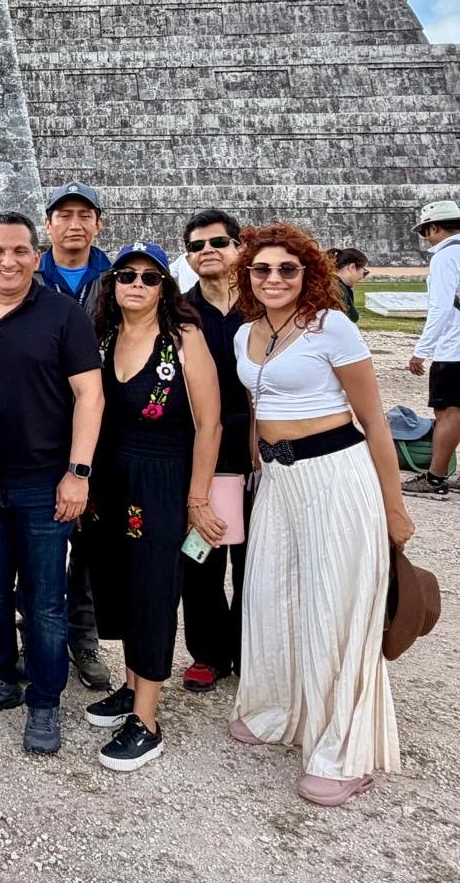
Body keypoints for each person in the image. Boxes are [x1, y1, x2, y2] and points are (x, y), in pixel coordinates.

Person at [230, 222, 414, 807]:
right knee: (275, 594)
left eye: (287, 268)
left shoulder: (332, 327)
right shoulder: (245, 333)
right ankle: (280, 708)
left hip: (336, 475)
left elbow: (375, 422)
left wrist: (394, 507)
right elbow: (258, 406)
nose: (274, 278)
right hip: (279, 481)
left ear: (307, 273)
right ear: (247, 276)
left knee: (335, 606)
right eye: (262, 269)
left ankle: (344, 751)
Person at [0, 213, 104, 755]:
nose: (8, 261)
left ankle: (44, 698)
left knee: (45, 600)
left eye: (19, 251)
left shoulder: (64, 314)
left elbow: (90, 396)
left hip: (45, 483)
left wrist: (78, 473)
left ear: (37, 258)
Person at [81, 243, 221, 771]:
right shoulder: (102, 336)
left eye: (149, 277)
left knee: (153, 590)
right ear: (112, 283)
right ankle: (132, 684)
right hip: (109, 481)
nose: (137, 284)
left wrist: (197, 497)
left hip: (160, 478)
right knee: (118, 587)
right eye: (127, 275)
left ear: (165, 286)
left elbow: (210, 423)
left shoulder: (182, 338)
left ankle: (147, 719)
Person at [38, 181, 112, 690]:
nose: (74, 224)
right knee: (35, 539)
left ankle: (84, 637)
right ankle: (35, 634)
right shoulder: (28, 275)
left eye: (84, 215)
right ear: (48, 225)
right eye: (64, 215)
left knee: (88, 542)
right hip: (41, 424)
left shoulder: (118, 276)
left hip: (99, 426)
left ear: (98, 224)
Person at [179, 210, 252, 693]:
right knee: (200, 553)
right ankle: (208, 652)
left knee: (256, 557)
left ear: (239, 248)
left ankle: (249, 650)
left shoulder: (263, 303)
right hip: (199, 447)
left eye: (218, 242)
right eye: (197, 245)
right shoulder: (179, 313)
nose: (207, 251)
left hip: (258, 447)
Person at [404, 200, 460, 498]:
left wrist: (421, 350)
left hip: (455, 348)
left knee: (448, 411)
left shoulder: (445, 256)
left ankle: (435, 477)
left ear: (434, 228)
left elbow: (441, 307)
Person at [331, 248, 369, 322]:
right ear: (352, 267)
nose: (362, 276)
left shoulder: (333, 285)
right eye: (363, 269)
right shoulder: (336, 289)